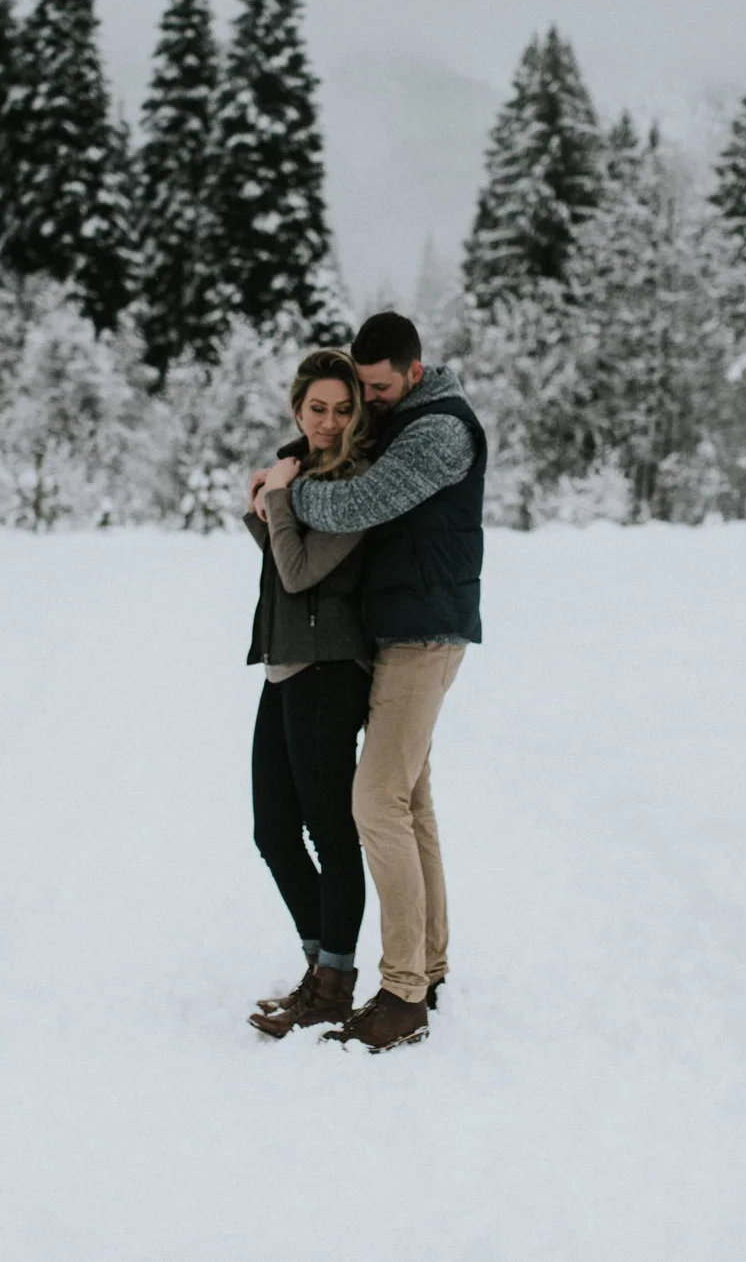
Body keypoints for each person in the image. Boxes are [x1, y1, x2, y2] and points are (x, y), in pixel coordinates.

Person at [258, 311, 484, 1055]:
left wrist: (282, 492)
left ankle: (403, 992)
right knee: (410, 804)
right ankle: (431, 965)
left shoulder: (439, 429)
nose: (369, 399)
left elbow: (356, 503)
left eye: (378, 388)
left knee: (374, 802)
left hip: (424, 633)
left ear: (414, 372)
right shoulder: (403, 418)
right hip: (398, 630)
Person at [240, 349, 376, 1039]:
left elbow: (297, 574)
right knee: (272, 829)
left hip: (331, 669)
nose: (329, 421)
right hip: (287, 663)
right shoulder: (298, 472)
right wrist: (262, 508)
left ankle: (336, 982)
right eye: (317, 408)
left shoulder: (355, 483)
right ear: (298, 409)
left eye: (343, 408)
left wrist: (278, 500)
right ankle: (319, 967)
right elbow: (286, 568)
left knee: (330, 830)